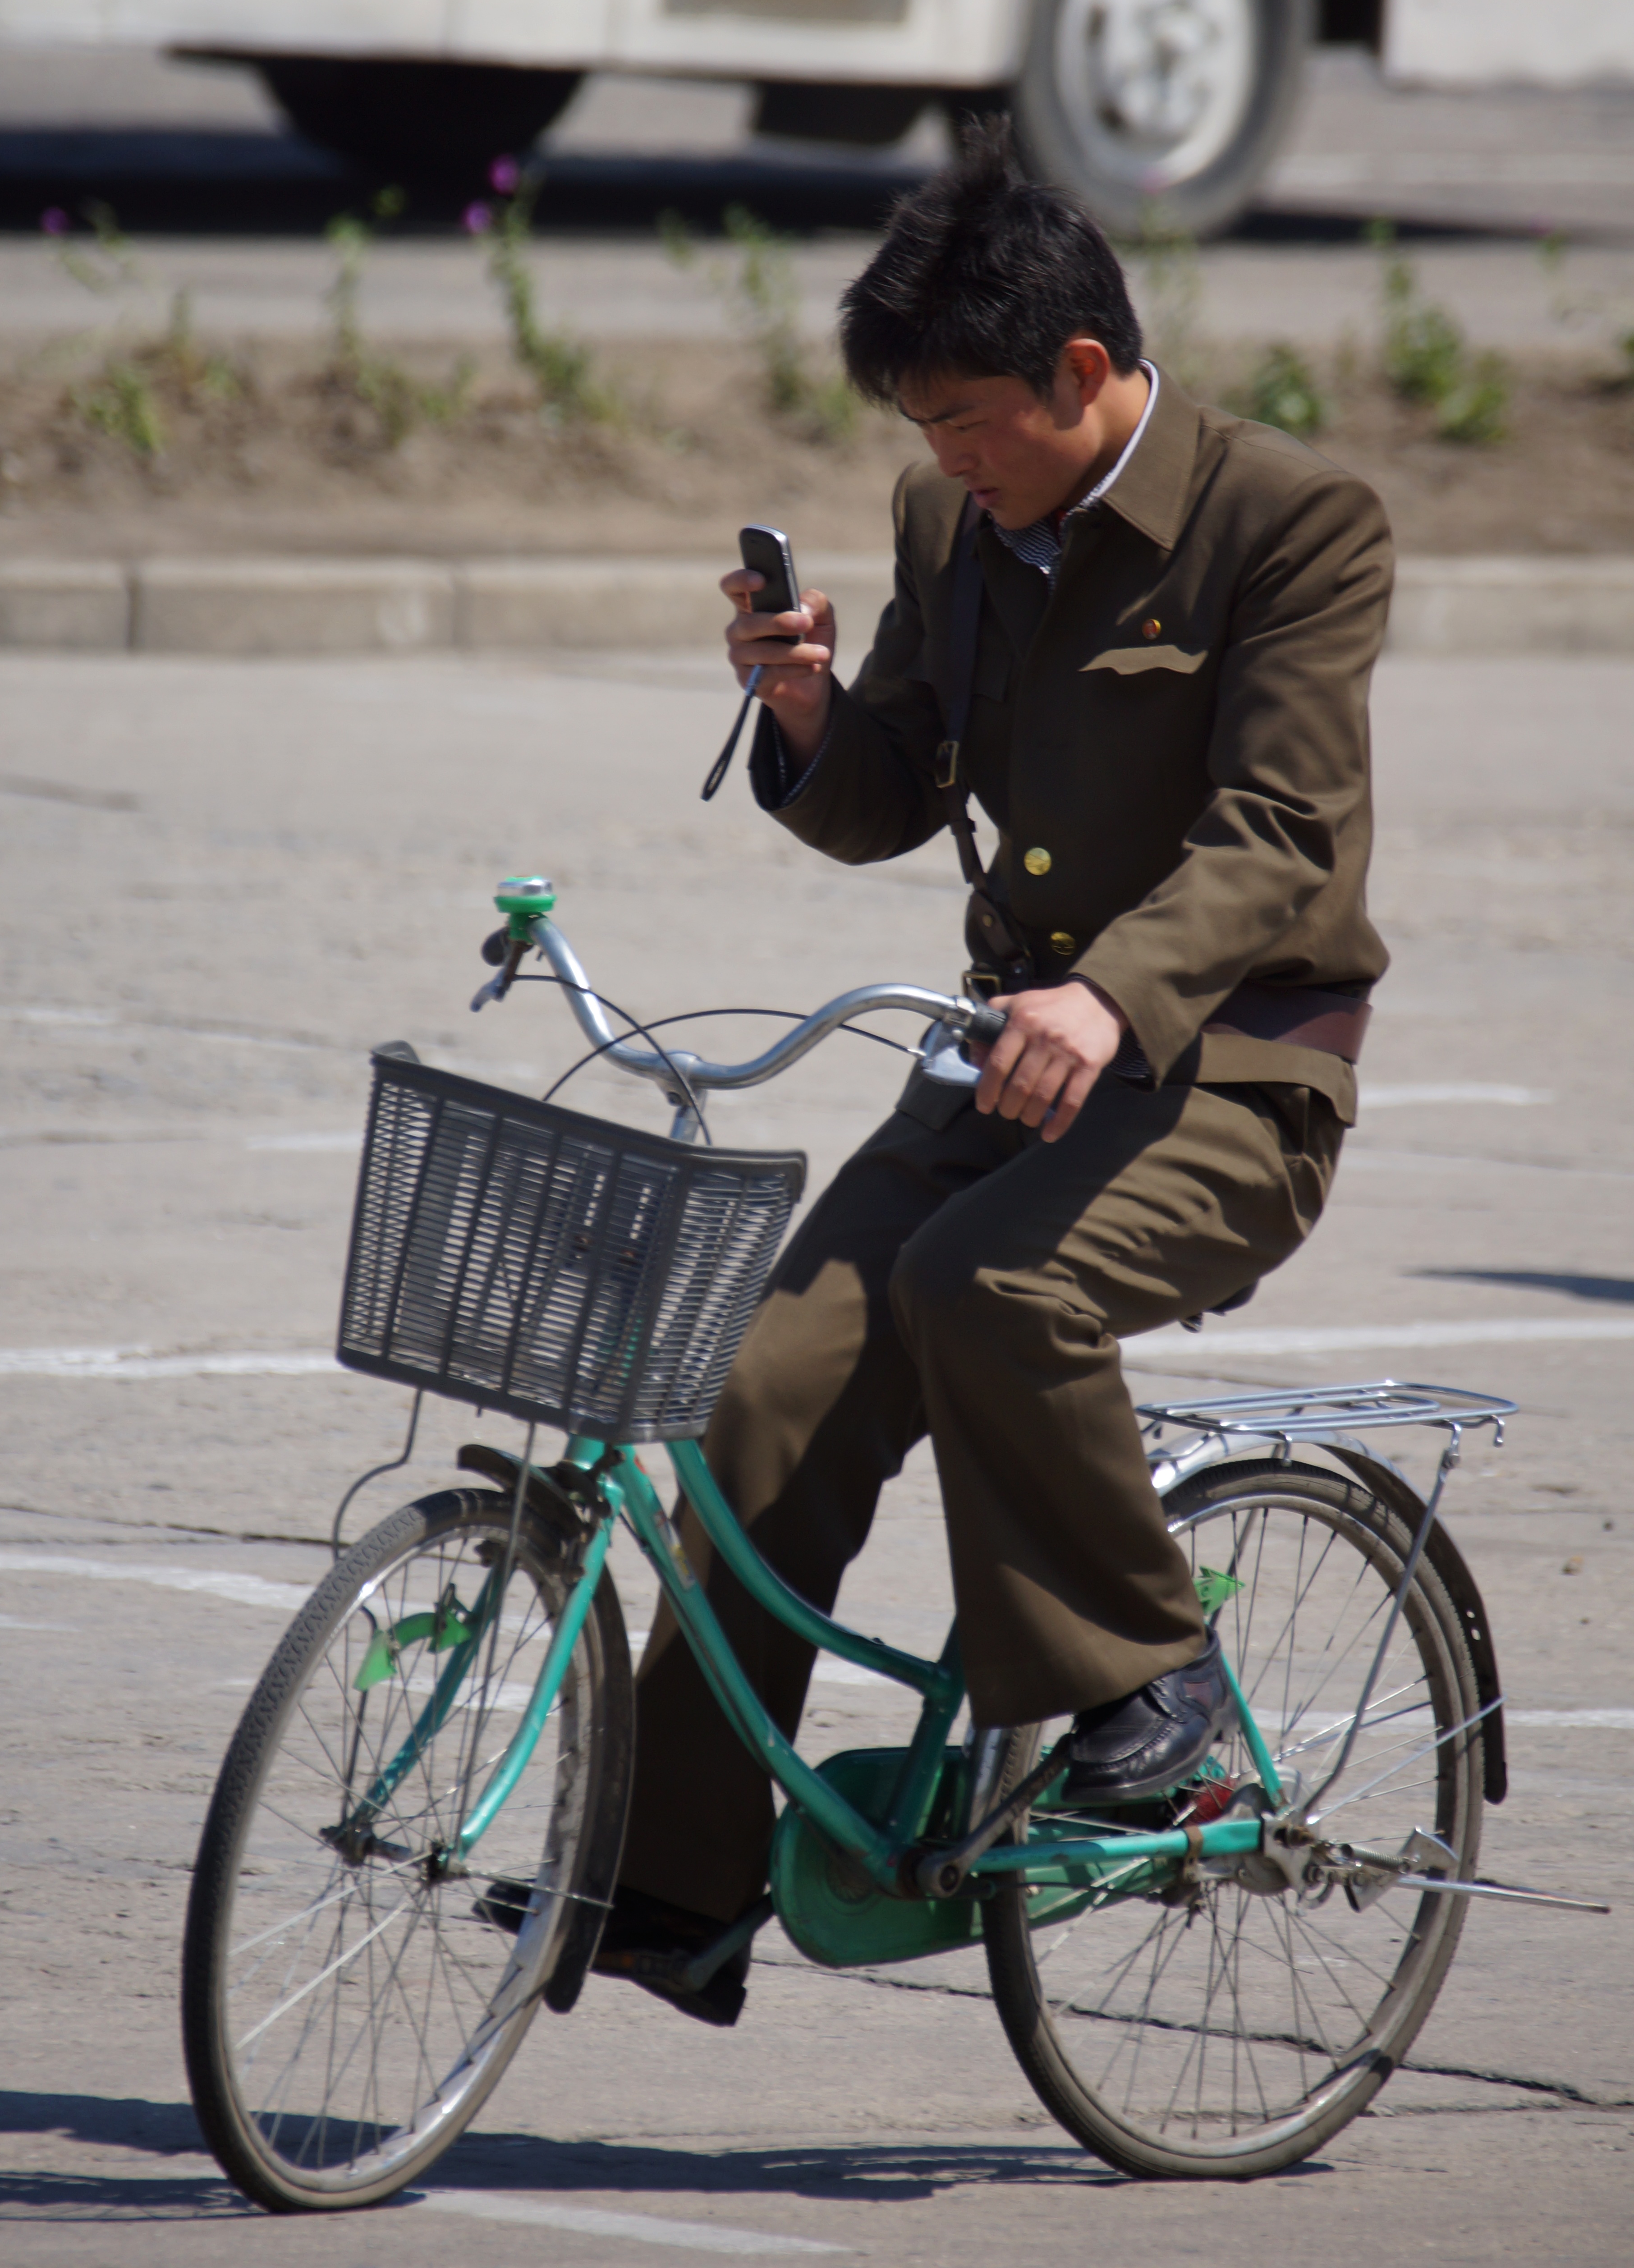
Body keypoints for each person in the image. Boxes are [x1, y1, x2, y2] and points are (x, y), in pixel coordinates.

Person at [592, 123, 1393, 2025]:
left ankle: (1156, 1698)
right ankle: (666, 1886)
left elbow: (1280, 827)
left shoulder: (1292, 524)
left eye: (967, 415)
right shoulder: (948, 520)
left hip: (1230, 1071)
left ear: (1088, 376)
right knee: (760, 1392)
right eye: (919, 419)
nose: (939, 452)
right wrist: (805, 713)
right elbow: (897, 795)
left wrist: (1114, 999)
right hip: (1003, 1061)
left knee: (989, 1290)